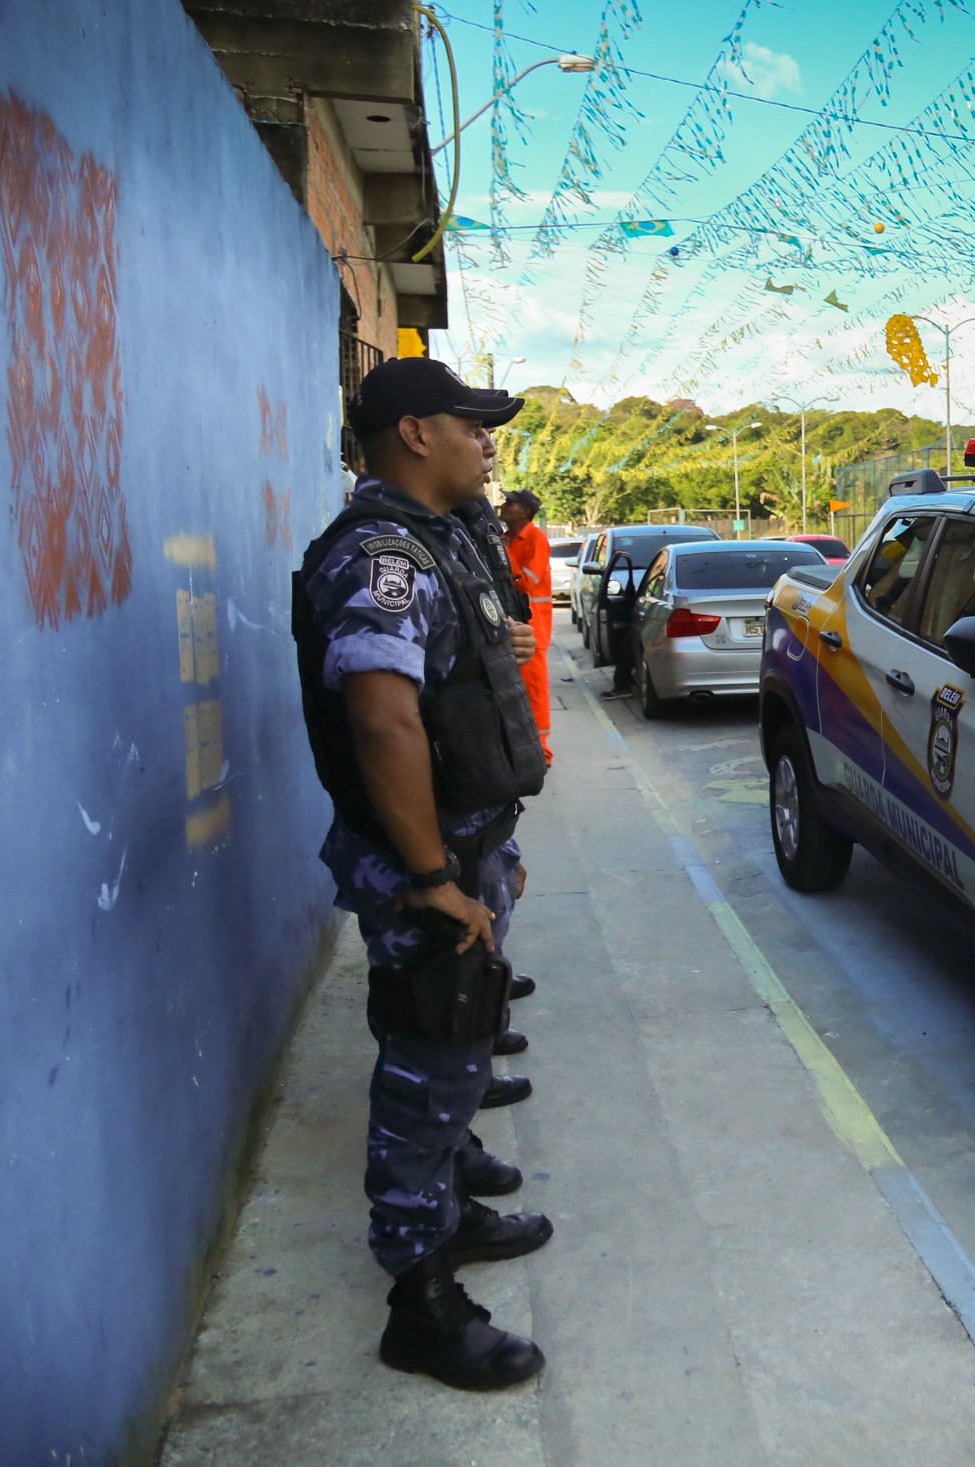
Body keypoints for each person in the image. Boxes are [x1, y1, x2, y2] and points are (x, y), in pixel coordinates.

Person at [290, 357, 553, 1391]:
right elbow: (382, 715)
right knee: (428, 1067)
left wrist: (494, 846)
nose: (486, 443)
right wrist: (436, 874)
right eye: (470, 424)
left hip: (465, 844)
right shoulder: (380, 557)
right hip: (426, 867)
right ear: (412, 434)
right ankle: (421, 1301)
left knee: (455, 1053)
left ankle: (452, 1210)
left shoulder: (435, 543)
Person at [498, 490, 554, 765]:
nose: (503, 506)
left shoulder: (535, 538)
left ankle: (542, 751)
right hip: (513, 625)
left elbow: (528, 580)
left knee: (534, 689)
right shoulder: (505, 538)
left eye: (510, 503)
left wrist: (505, 556)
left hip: (534, 626)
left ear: (525, 511)